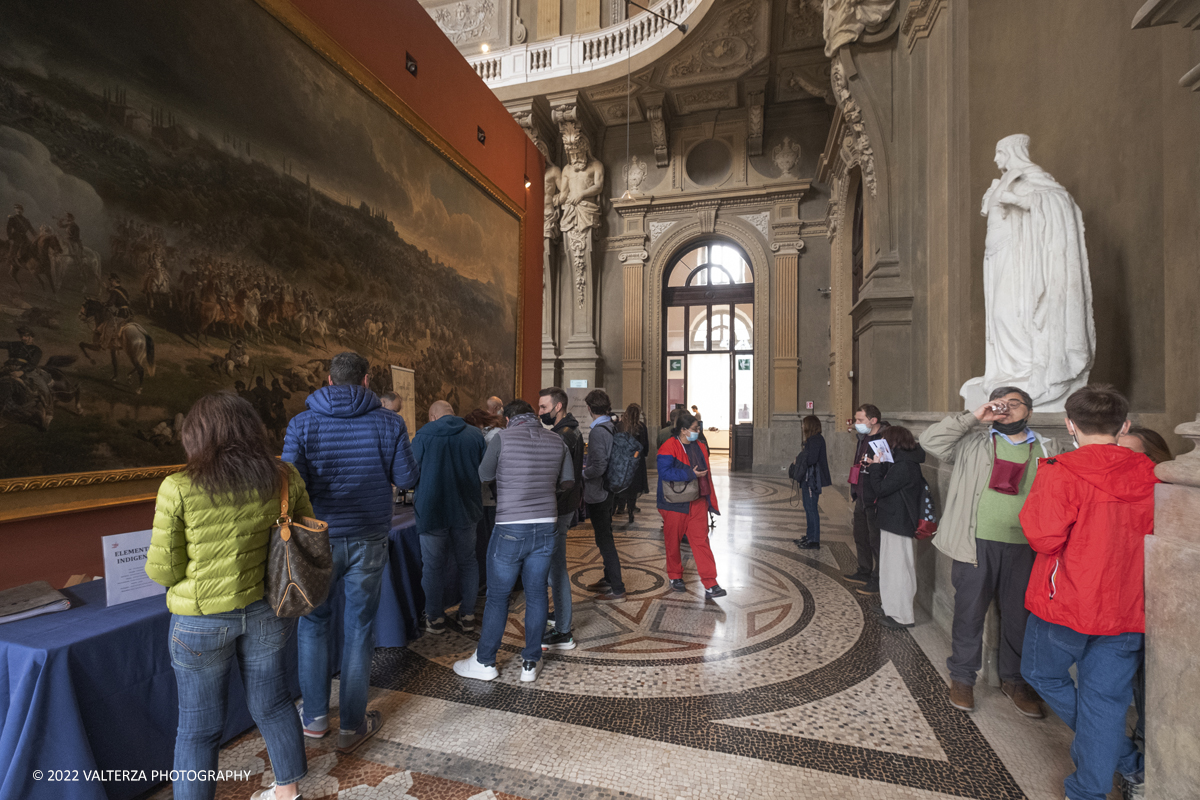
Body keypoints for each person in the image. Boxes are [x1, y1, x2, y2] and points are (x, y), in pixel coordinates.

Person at [146, 393, 308, 800]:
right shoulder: (283, 476)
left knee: (198, 729)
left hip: (200, 620)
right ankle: (287, 794)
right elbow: (304, 533)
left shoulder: (178, 487)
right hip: (268, 610)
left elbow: (162, 570)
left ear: (196, 436)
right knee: (273, 705)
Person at [1019, 385, 1156, 800]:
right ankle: (1096, 786)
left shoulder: (1061, 470)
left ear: (1070, 425)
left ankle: (1124, 762)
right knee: (1106, 702)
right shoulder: (1151, 474)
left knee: (1041, 673)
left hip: (1069, 603)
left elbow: (1042, 538)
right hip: (1128, 605)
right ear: (1124, 425)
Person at [283, 351, 418, 753]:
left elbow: (290, 484)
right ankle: (353, 725)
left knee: (313, 626)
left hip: (316, 537)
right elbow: (408, 478)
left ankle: (316, 719)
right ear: (365, 381)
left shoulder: (301, 422)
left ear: (328, 380)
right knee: (359, 630)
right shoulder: (389, 421)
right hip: (368, 537)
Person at [920, 386, 1058, 717]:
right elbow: (930, 441)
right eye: (1001, 404)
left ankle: (1015, 681)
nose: (1008, 409)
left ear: (1029, 410)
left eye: (1015, 404)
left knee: (1019, 617)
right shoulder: (974, 442)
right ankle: (963, 678)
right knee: (969, 612)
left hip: (1026, 545)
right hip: (976, 542)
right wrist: (974, 417)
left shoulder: (1048, 447)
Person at [455, 399, 575, 683]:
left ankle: (485, 661)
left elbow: (484, 475)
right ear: (534, 416)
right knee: (535, 594)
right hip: (546, 524)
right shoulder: (557, 440)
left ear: (508, 419)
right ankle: (531, 662)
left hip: (510, 525)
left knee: (498, 596)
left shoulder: (503, 438)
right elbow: (568, 481)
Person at [1118, 424, 1171, 755]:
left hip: (1161, 600)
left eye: (1130, 455)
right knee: (1139, 680)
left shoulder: (1166, 495)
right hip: (1128, 602)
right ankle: (1139, 751)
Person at [411, 400, 486, 634]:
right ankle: (467, 614)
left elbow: (410, 473)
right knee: (468, 562)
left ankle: (435, 618)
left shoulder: (422, 436)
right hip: (467, 509)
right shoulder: (475, 435)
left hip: (432, 511)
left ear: (432, 417)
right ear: (453, 413)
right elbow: (485, 471)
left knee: (433, 567)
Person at [861, 426, 925, 629]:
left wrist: (876, 466)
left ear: (895, 442)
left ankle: (902, 615)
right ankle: (890, 606)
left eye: (886, 442)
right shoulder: (901, 462)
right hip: (892, 521)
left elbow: (880, 488)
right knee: (890, 567)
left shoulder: (905, 465)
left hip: (899, 523)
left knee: (900, 569)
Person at [657, 410, 725, 597]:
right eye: (695, 428)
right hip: (674, 503)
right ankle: (675, 576)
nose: (698, 431)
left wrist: (709, 499)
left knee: (701, 541)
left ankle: (711, 583)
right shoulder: (669, 446)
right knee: (672, 542)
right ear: (684, 430)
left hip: (698, 501)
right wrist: (690, 474)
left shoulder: (700, 446)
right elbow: (664, 473)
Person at [538, 386, 584, 651]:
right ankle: (560, 615)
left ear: (558, 407)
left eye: (544, 407)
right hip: (565, 506)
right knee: (555, 567)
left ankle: (563, 632)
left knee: (556, 569)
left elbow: (558, 478)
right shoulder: (570, 430)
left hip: (559, 507)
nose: (540, 412)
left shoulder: (562, 435)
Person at [581, 389, 626, 602]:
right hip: (610, 489)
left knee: (604, 540)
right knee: (605, 534)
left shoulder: (598, 431)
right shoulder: (612, 426)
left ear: (589, 408)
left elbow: (598, 466)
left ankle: (617, 588)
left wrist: (582, 473)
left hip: (599, 491)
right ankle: (609, 578)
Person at [845, 404, 888, 592]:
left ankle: (878, 578)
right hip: (860, 493)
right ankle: (864, 570)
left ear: (873, 420)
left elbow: (885, 469)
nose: (857, 424)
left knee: (875, 539)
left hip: (874, 497)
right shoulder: (862, 438)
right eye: (856, 420)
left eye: (860, 420)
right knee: (860, 535)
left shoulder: (884, 440)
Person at [464, 408, 505, 589]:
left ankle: (492, 583)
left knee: (489, 543)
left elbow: (486, 472)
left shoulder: (490, 438)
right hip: (498, 496)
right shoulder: (499, 433)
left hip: (490, 498)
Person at [794, 415, 831, 550]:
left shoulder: (815, 440)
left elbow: (811, 459)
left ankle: (814, 540)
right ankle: (809, 536)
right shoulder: (813, 440)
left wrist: (798, 459)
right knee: (808, 508)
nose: (802, 427)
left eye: (804, 424)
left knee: (811, 509)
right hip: (809, 478)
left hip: (812, 479)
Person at [613, 403, 650, 524]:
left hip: (622, 461)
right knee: (633, 488)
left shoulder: (619, 426)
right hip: (637, 462)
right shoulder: (641, 427)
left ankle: (620, 507)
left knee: (622, 484)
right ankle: (630, 510)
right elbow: (645, 445)